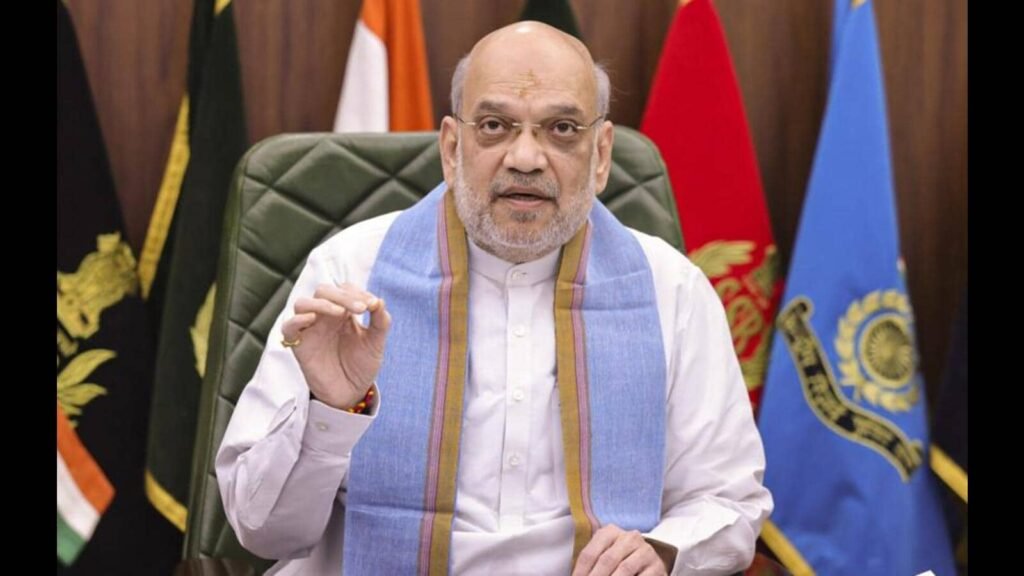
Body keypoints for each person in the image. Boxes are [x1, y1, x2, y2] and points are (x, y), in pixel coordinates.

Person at [216, 21, 772, 576]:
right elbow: (264, 532)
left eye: (561, 129)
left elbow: (728, 500)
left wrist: (664, 549)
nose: (525, 158)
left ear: (601, 155)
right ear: (451, 147)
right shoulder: (350, 274)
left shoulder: (671, 289)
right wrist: (330, 412)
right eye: (494, 126)